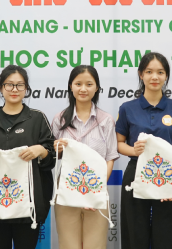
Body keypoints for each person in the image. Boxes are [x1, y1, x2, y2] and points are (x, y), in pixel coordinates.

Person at [0, 65, 55, 249]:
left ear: (26, 89)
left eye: (19, 85)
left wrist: (41, 150)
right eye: (9, 85)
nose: (14, 90)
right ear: (1, 88)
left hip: (27, 209)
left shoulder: (37, 119)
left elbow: (52, 157)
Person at [116, 52, 172, 249]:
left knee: (167, 232)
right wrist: (133, 150)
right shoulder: (127, 108)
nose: (154, 77)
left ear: (166, 76)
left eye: (160, 72)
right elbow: (118, 143)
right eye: (149, 72)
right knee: (135, 232)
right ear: (141, 74)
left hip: (167, 174)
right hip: (135, 174)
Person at [51, 65, 119, 249]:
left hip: (96, 192)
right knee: (68, 244)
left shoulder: (106, 120)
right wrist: (56, 148)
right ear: (70, 86)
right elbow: (52, 157)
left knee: (95, 245)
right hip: (66, 191)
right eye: (78, 84)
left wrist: (94, 190)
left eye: (89, 84)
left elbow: (110, 157)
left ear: (96, 88)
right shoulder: (60, 119)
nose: (83, 89)